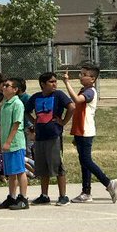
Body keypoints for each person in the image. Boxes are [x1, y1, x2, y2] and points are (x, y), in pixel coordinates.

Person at [62, 62, 117, 204]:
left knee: (86, 160)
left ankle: (108, 183)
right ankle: (86, 192)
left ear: (93, 79)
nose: (81, 76)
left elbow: (76, 100)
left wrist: (66, 83)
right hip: (80, 131)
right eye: (81, 73)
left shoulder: (90, 92)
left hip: (86, 131)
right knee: (83, 162)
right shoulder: (83, 89)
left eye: (84, 75)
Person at [25, 72, 74, 206]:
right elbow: (26, 110)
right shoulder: (36, 97)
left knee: (58, 166)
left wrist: (63, 121)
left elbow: (71, 106)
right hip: (40, 136)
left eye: (55, 81)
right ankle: (44, 195)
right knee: (42, 167)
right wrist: (34, 121)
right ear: (42, 84)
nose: (54, 84)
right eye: (51, 82)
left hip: (54, 135)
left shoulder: (58, 95)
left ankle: (63, 196)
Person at [0, 78, 28, 210]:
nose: (4, 87)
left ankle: (23, 198)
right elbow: (2, 125)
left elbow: (16, 124)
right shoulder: (5, 104)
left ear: (15, 90)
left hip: (16, 143)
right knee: (11, 173)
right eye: (4, 85)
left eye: (7, 85)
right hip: (6, 143)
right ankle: (12, 197)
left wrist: (8, 142)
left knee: (20, 171)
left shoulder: (17, 104)